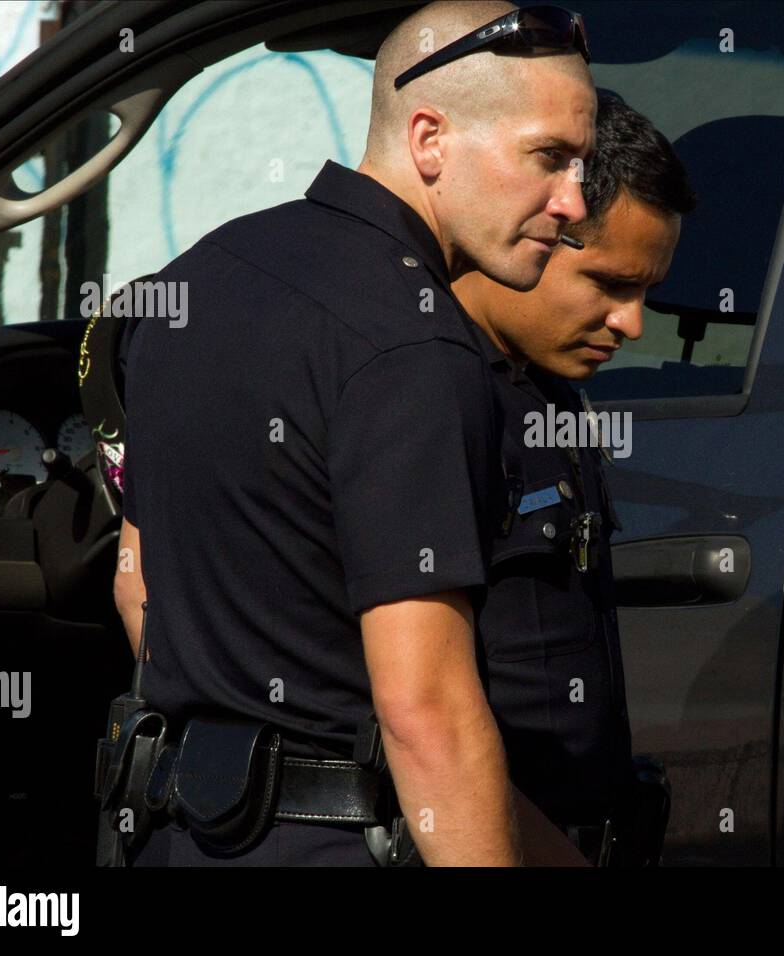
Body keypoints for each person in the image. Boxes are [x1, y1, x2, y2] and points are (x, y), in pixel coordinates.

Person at [111, 1, 597, 866]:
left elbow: (137, 586)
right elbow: (426, 713)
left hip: (175, 837)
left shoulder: (195, 280)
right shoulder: (417, 345)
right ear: (430, 139)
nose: (574, 201)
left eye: (582, 164)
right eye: (549, 158)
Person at [450, 90, 695, 861]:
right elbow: (419, 721)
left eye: (648, 292)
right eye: (612, 284)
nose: (632, 324)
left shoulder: (550, 395)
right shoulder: (426, 400)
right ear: (532, 227)